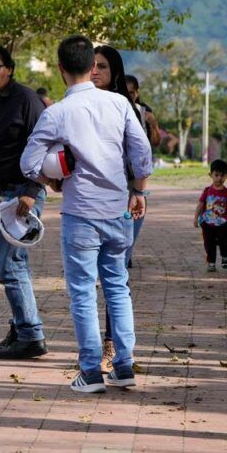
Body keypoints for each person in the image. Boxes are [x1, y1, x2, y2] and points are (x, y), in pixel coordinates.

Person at [21, 35, 151, 393]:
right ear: (93, 68)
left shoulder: (56, 113)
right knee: (118, 288)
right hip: (118, 211)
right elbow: (141, 152)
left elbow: (28, 163)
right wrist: (138, 191)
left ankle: (91, 371)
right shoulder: (119, 104)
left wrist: (52, 180)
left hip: (80, 214)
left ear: (61, 69)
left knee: (82, 292)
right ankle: (124, 366)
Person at [0, 44, 48, 360]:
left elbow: (45, 145)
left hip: (24, 194)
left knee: (9, 265)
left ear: (10, 68)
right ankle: (19, 328)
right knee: (12, 264)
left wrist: (31, 190)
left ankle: (31, 335)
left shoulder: (28, 100)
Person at [92, 44, 150, 370]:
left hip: (127, 198)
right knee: (95, 277)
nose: (94, 72)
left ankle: (113, 346)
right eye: (91, 66)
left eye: (101, 66)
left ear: (114, 71)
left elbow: (138, 157)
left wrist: (135, 192)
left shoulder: (130, 109)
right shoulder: (80, 104)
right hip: (90, 202)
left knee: (116, 273)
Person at [194, 158, 227, 272]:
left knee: (224, 241)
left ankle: (225, 257)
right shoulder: (207, 191)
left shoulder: (226, 192)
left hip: (223, 224)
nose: (219, 178)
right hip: (208, 223)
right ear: (210, 175)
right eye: (216, 175)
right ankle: (211, 262)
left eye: (222, 175)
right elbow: (200, 204)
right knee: (209, 244)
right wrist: (195, 218)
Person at [124, 75, 162, 148]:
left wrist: (154, 125)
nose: (127, 96)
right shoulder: (111, 109)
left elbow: (155, 142)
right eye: (125, 93)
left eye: (131, 93)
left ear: (137, 93)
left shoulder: (144, 112)